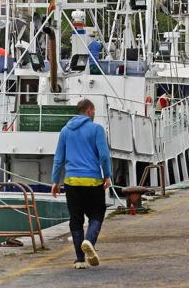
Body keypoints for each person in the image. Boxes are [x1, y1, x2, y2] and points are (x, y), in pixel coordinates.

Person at [51, 99, 112, 269]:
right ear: (89, 111)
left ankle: (79, 260)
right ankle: (89, 241)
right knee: (97, 214)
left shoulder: (65, 131)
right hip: (92, 181)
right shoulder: (96, 129)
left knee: (75, 220)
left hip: (71, 182)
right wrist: (107, 175)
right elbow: (104, 156)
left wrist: (55, 181)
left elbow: (58, 159)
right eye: (93, 111)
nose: (94, 114)